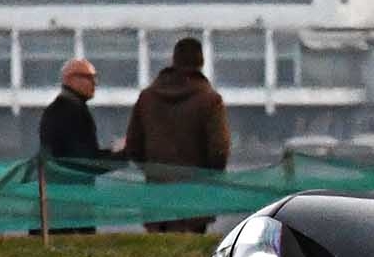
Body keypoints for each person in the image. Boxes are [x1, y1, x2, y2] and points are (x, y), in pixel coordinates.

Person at [125, 36, 231, 233]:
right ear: (201, 62)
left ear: (173, 60)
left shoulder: (147, 98)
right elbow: (219, 150)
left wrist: (153, 171)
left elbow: (133, 146)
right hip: (196, 198)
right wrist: (209, 176)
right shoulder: (210, 101)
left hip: (156, 198)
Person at [35, 57, 115, 235]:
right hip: (70, 208)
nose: (95, 83)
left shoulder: (58, 109)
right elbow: (85, 161)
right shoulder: (73, 112)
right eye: (89, 77)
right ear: (70, 79)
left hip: (56, 203)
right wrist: (120, 155)